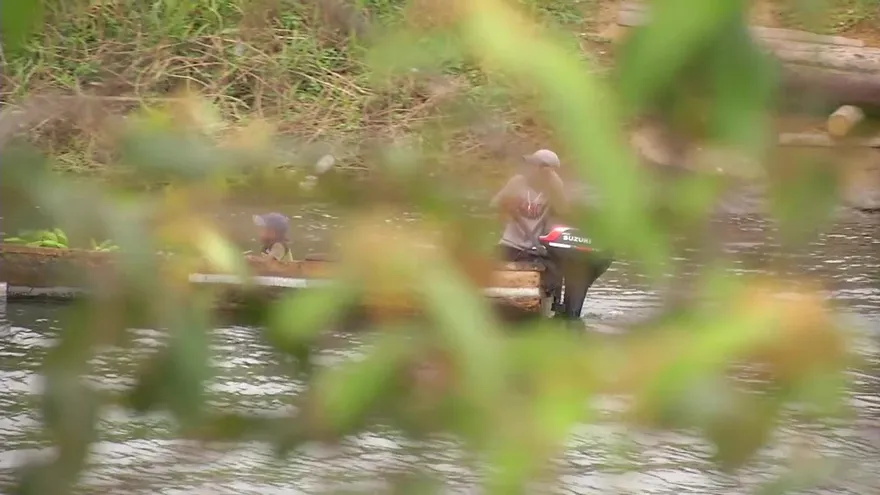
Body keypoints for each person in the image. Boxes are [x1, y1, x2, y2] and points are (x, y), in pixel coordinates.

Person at [490, 149, 611, 322]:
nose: (530, 168)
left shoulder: (555, 185)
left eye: (535, 166)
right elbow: (495, 205)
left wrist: (557, 193)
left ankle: (551, 305)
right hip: (511, 243)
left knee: (550, 274)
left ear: (547, 170)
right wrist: (507, 205)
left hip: (537, 247)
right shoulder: (517, 182)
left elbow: (564, 213)